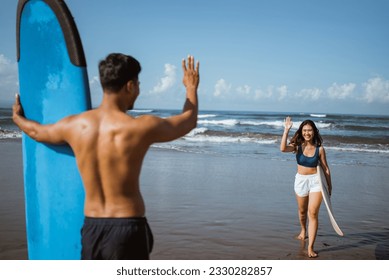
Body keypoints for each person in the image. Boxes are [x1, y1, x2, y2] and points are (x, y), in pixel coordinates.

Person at [13, 53, 200, 260]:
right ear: (130, 86)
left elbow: (38, 132)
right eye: (138, 84)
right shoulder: (140, 127)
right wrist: (190, 87)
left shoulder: (75, 125)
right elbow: (188, 121)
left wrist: (18, 118)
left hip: (92, 229)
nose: (138, 90)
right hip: (128, 229)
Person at [280, 116, 332, 258]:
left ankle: (311, 247)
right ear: (301, 132)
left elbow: (326, 168)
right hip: (301, 181)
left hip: (316, 181)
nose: (307, 133)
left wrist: (329, 185)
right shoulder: (297, 146)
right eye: (304, 130)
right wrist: (286, 130)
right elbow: (283, 148)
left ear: (314, 132)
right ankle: (303, 230)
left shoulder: (320, 149)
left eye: (309, 130)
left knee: (313, 213)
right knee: (302, 211)